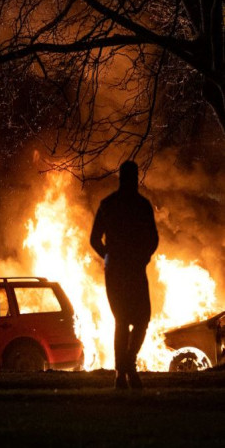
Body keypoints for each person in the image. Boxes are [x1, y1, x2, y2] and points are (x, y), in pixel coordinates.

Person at [90, 161, 158, 390]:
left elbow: (152, 239)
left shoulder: (116, 204)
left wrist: (109, 256)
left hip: (125, 270)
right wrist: (113, 257)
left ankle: (125, 367)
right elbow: (153, 239)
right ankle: (125, 372)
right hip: (125, 270)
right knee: (129, 320)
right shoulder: (136, 205)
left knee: (136, 320)